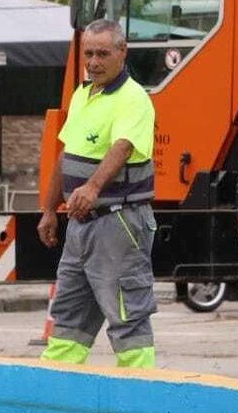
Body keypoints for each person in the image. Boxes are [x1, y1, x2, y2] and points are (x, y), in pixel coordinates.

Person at [37, 18, 159, 368]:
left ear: (123, 52)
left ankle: (140, 397)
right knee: (68, 318)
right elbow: (66, 154)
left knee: (128, 315)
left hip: (118, 222)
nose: (93, 62)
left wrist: (91, 187)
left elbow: (121, 148)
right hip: (80, 225)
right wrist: (49, 209)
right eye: (88, 54)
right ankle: (56, 395)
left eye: (103, 54)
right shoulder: (83, 94)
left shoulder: (133, 99)